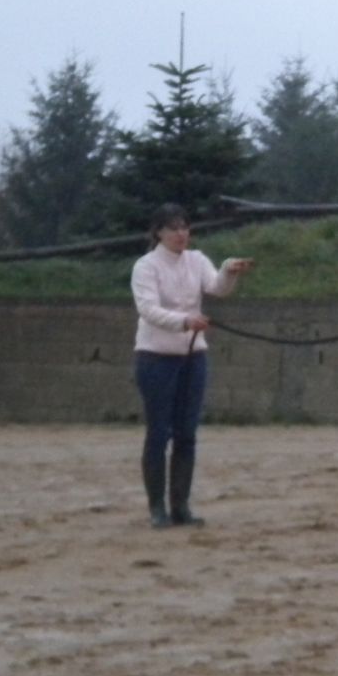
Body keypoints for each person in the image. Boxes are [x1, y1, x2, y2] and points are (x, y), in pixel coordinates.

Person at [131, 203, 254, 528]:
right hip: (155, 358)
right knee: (159, 432)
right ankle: (157, 508)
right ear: (159, 232)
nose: (181, 234)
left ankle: (180, 505)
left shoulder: (197, 260)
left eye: (185, 227)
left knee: (187, 433)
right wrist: (184, 321)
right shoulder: (146, 266)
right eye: (173, 228)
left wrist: (229, 270)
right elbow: (148, 309)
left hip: (192, 356)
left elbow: (217, 288)